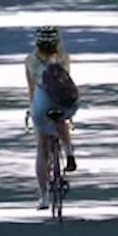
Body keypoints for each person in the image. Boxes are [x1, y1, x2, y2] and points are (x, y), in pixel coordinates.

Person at [26, 25, 79, 209]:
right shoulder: (64, 58)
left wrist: (31, 109)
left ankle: (44, 197)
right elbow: (65, 82)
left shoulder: (31, 61)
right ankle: (69, 151)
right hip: (65, 102)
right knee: (62, 118)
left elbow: (32, 90)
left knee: (42, 147)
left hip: (42, 105)